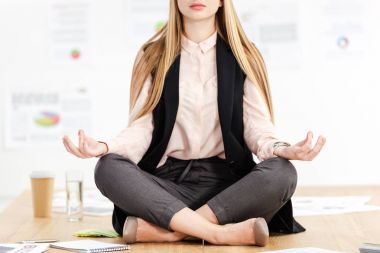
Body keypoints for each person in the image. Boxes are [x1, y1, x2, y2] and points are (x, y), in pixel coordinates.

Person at [62, 0, 326, 246]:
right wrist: (104, 146)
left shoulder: (244, 55)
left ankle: (173, 232)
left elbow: (257, 128)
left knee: (282, 172)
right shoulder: (153, 55)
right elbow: (142, 128)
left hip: (227, 190)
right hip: (167, 187)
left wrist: (283, 150)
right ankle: (217, 233)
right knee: (107, 167)